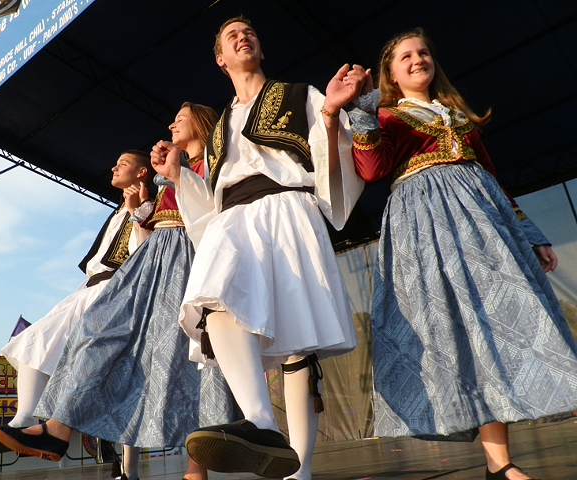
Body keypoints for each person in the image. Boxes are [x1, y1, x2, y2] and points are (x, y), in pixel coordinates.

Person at [348, 27, 577, 480]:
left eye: (424, 52)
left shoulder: (459, 118)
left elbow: (492, 178)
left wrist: (531, 234)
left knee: (509, 318)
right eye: (406, 56)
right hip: (428, 224)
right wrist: (362, 110)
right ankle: (500, 464)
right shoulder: (388, 116)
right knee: (464, 331)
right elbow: (371, 169)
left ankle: (503, 460)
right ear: (390, 74)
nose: (418, 60)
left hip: (485, 221)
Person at [151, 16, 365, 480]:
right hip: (233, 218)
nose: (243, 37)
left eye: (249, 32)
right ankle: (261, 421)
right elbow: (212, 202)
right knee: (215, 295)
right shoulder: (220, 126)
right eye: (231, 36)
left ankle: (300, 470)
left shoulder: (300, 95)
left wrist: (331, 112)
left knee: (296, 348)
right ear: (220, 59)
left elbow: (332, 157)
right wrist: (178, 177)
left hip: (287, 207)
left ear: (260, 50)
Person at [0, 103, 235, 480]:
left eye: (180, 119)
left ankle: (194, 468)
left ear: (201, 125)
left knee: (192, 358)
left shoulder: (218, 161)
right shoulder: (171, 171)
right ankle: (57, 425)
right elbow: (155, 223)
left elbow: (214, 211)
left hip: (193, 254)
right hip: (157, 257)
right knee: (96, 329)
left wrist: (176, 177)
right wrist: (144, 207)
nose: (171, 124)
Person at [0, 150, 152, 455]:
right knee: (34, 340)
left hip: (115, 290)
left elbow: (143, 256)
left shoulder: (147, 206)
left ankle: (52, 431)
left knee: (85, 360)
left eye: (124, 164)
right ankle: (24, 420)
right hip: (88, 290)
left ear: (142, 173)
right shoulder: (118, 210)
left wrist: (137, 211)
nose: (114, 167)